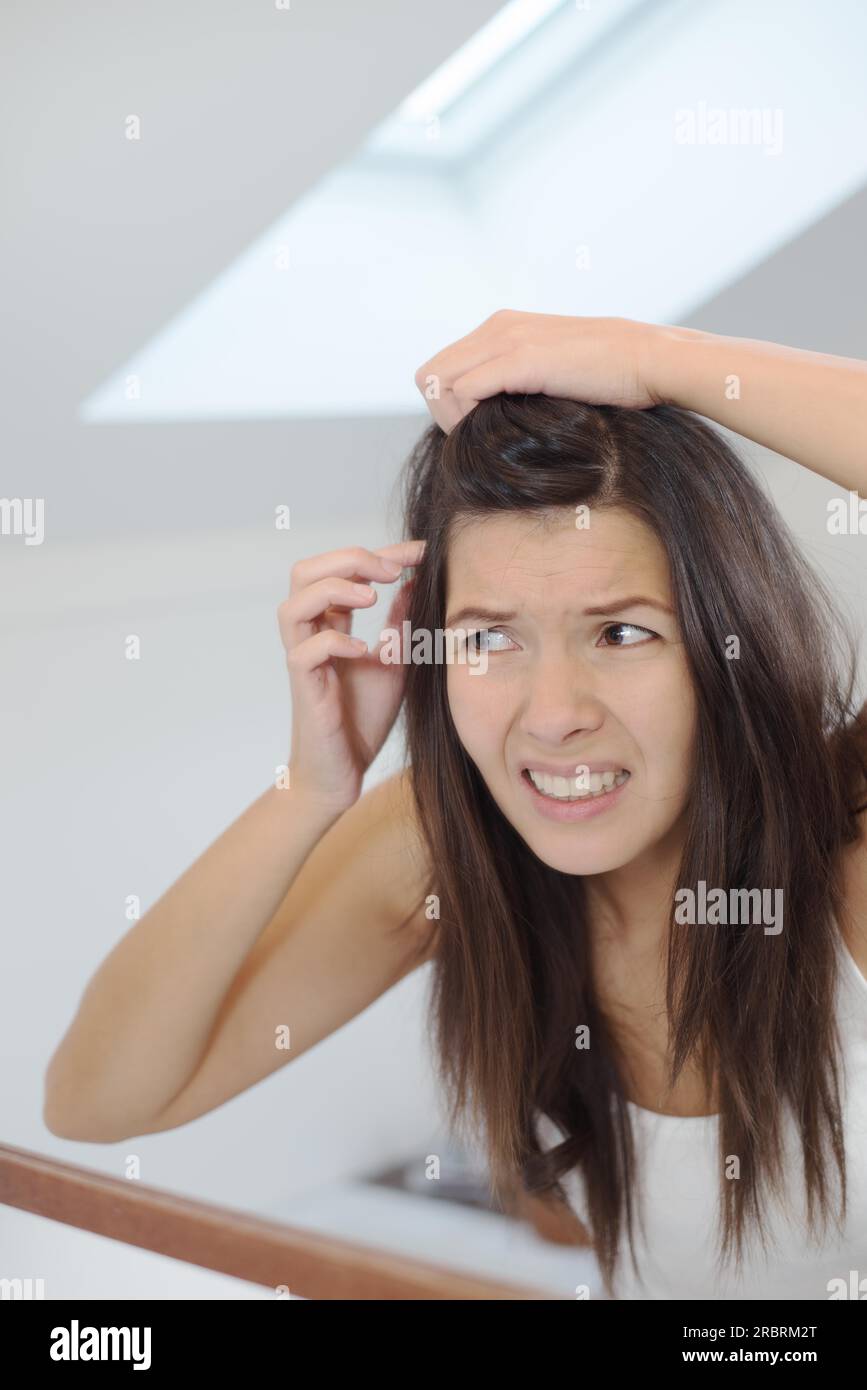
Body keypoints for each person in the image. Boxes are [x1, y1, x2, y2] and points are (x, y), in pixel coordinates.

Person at [44, 312, 867, 1301]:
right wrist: (308, 792)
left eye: (620, 632)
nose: (555, 716)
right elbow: (96, 1100)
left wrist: (659, 360)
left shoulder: (845, 843)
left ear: (722, 637)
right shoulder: (442, 844)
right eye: (488, 638)